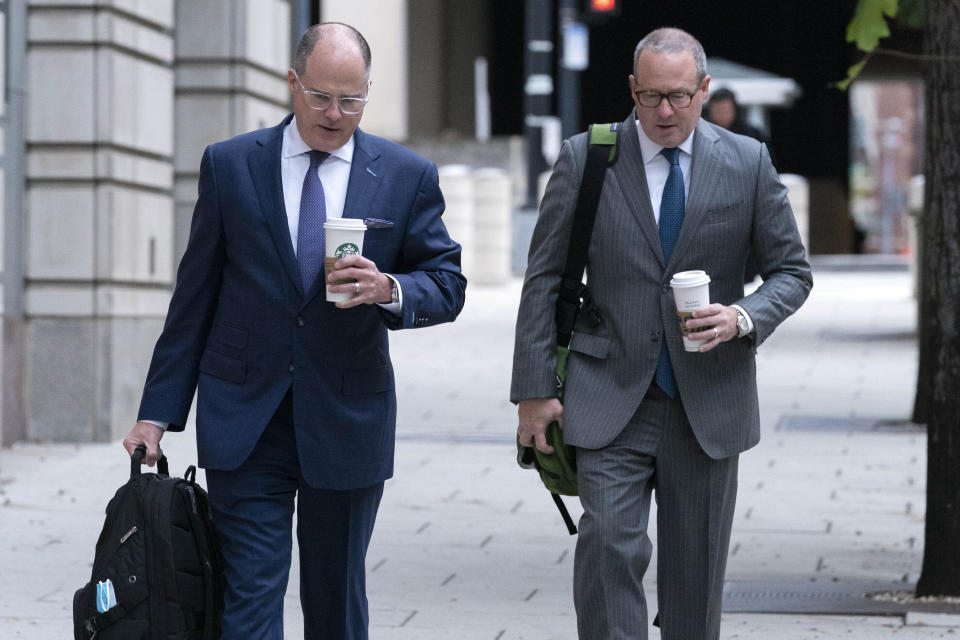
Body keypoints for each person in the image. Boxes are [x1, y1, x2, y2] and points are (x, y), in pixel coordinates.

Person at [123, 22, 466, 640]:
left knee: (335, 601)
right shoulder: (230, 165)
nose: (335, 115)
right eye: (321, 97)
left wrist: (389, 288)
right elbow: (194, 299)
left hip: (346, 417)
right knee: (248, 598)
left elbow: (448, 283)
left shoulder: (405, 174)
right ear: (291, 84)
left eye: (351, 101)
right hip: (245, 417)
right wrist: (157, 413)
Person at [512, 27, 811, 640]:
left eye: (678, 95)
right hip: (609, 390)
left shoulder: (747, 161)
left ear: (704, 90)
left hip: (708, 399)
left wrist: (743, 316)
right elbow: (542, 280)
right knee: (605, 552)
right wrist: (534, 391)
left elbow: (792, 272)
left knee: (694, 580)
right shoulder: (587, 158)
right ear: (632, 89)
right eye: (650, 97)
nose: (665, 111)